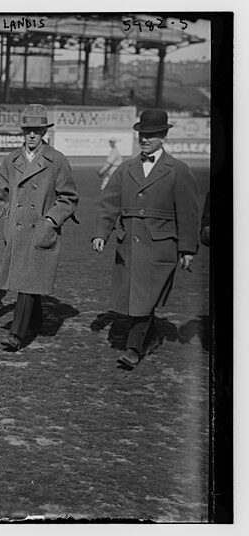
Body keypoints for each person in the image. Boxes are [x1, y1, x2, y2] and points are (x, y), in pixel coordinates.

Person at [92, 108, 200, 370]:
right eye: (142, 134)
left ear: (163, 135)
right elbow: (109, 204)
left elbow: (188, 213)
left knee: (145, 296)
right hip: (128, 243)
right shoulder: (126, 168)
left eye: (151, 135)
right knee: (137, 297)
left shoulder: (178, 170)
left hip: (161, 246)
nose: (145, 139)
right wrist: (101, 233)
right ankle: (148, 339)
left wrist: (187, 249)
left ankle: (133, 348)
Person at [0, 104, 79, 351]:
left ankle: (17, 334)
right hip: (15, 230)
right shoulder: (11, 161)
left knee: (26, 282)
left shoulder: (57, 160)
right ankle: (36, 321)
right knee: (28, 281)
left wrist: (51, 221)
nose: (32, 135)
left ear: (44, 131)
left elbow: (69, 198)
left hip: (40, 231)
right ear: (22, 132)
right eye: (28, 130)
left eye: (37, 130)